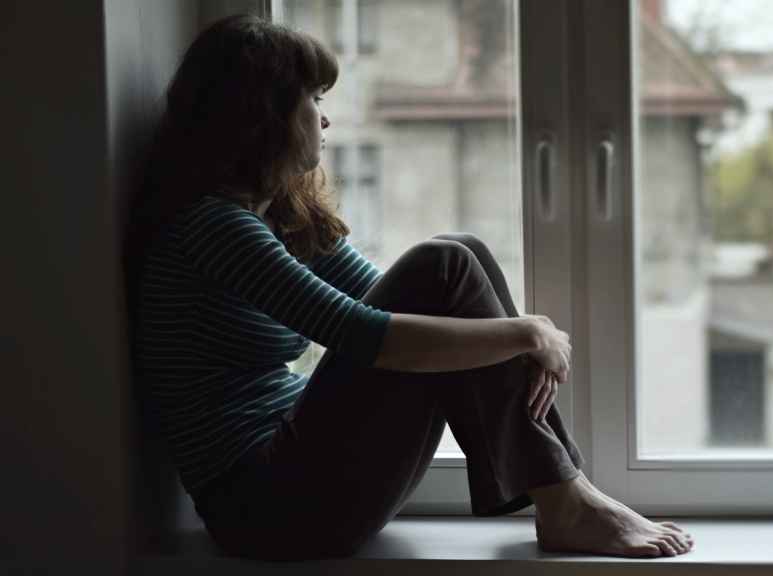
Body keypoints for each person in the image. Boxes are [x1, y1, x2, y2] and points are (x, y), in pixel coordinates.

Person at [126, 13, 693, 562]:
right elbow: (364, 334)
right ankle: (565, 498)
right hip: (265, 510)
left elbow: (397, 299)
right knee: (444, 263)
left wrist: (513, 335)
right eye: (314, 100)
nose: (325, 119)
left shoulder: (276, 217)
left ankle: (566, 493)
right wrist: (526, 333)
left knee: (460, 254)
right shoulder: (213, 228)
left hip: (301, 483)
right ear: (266, 115)